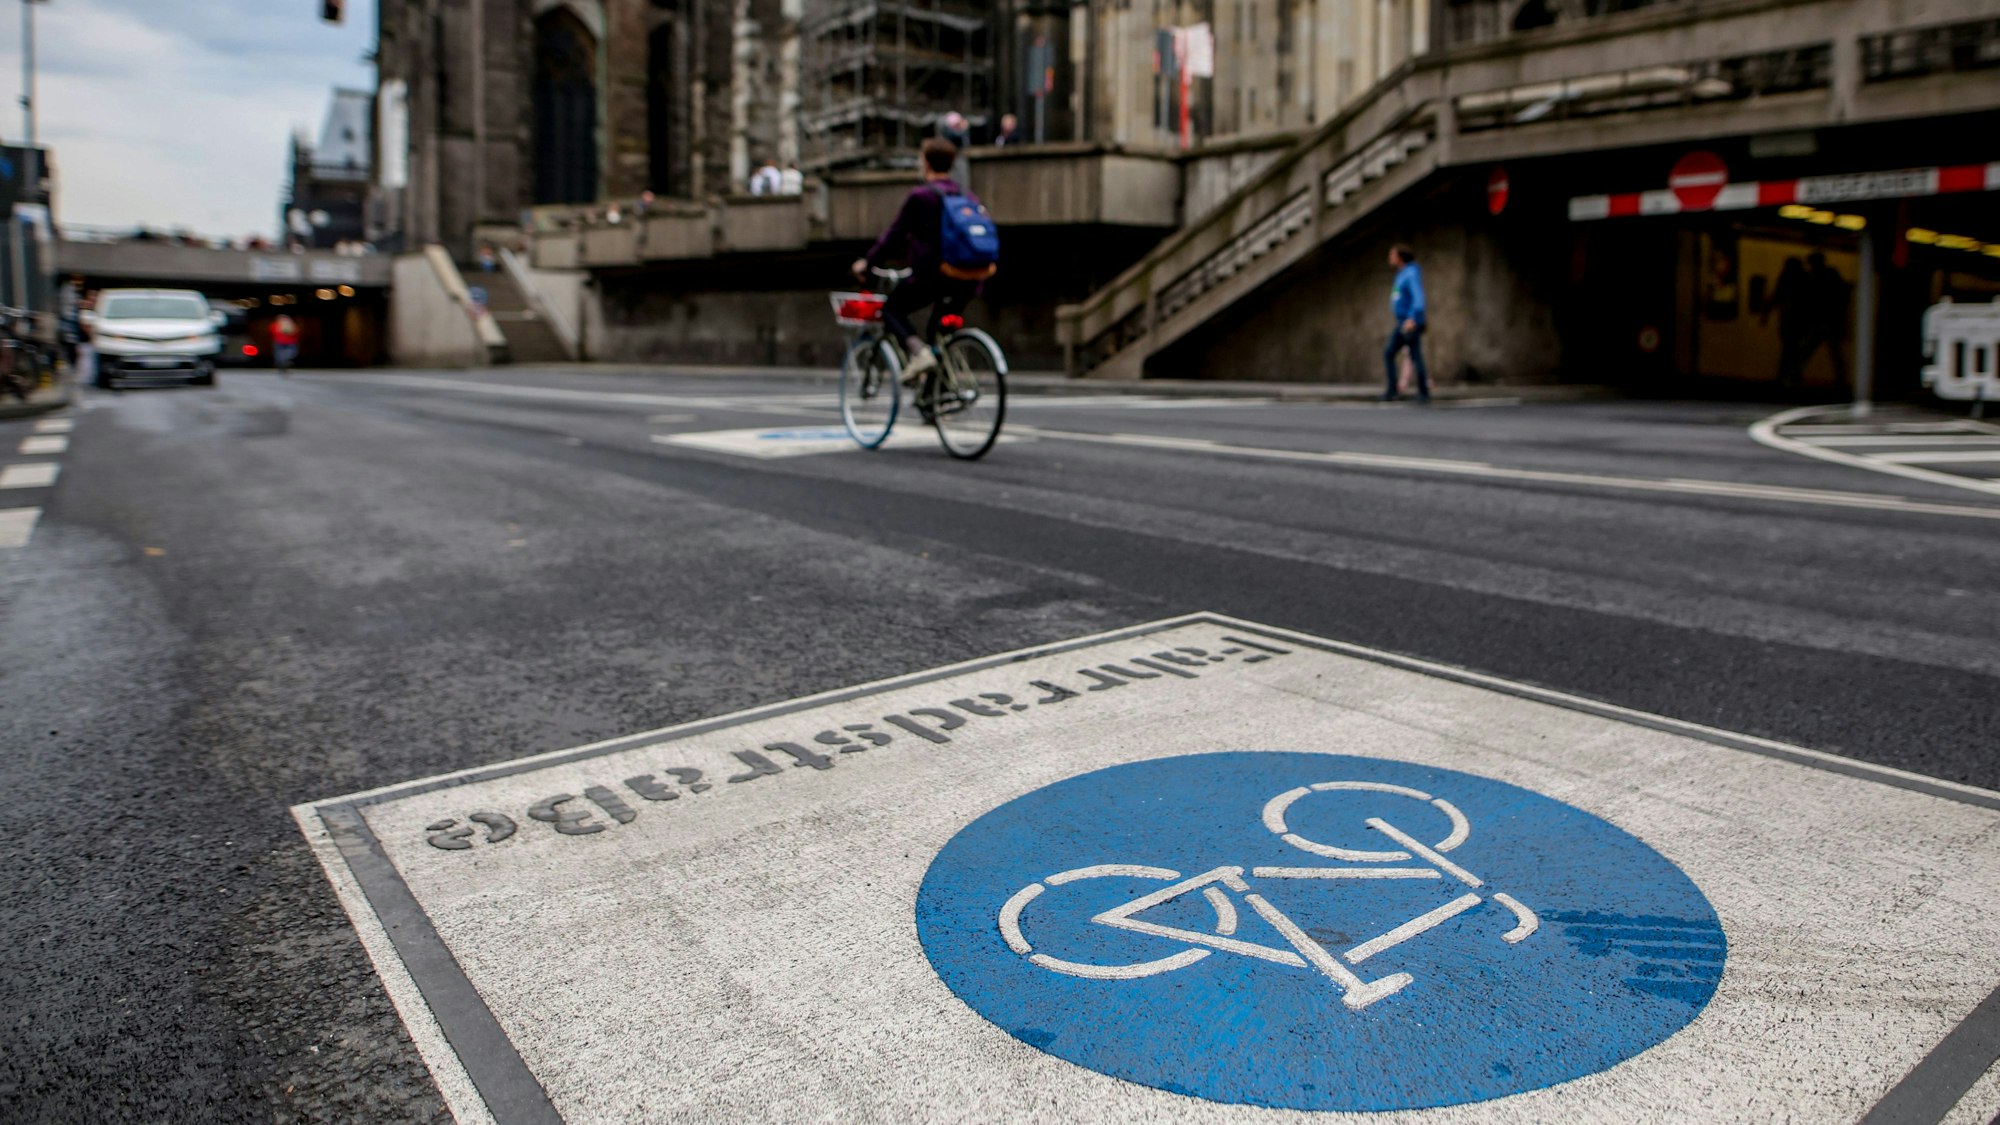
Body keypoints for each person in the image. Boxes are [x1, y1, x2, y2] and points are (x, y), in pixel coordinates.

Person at [851, 137, 990, 391]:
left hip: (933, 276)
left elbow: (894, 236)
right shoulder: (965, 195)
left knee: (892, 310)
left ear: (925, 163)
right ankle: (936, 397)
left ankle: (917, 353)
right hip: (970, 277)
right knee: (938, 331)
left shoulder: (922, 196)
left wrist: (868, 263)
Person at [1382, 243, 1428, 403]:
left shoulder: (1411, 274)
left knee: (1415, 356)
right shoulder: (1401, 274)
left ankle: (1423, 393)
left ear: (1400, 257)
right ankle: (1392, 390)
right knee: (1389, 353)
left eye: (1392, 255)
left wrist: (1412, 318)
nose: (1390, 259)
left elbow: (1418, 299)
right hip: (1402, 322)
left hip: (1410, 322)